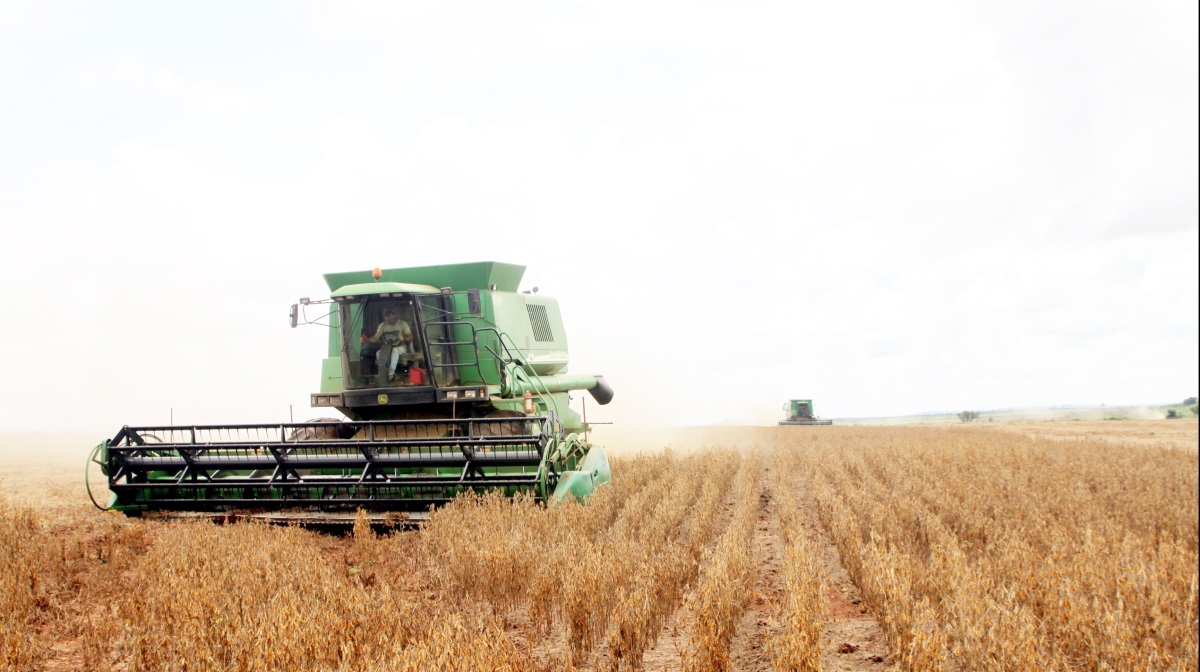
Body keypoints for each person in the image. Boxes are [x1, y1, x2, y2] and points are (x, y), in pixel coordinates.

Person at [361, 307, 413, 385]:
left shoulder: (403, 324)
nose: (389, 317)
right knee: (379, 353)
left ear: (395, 315)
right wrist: (366, 340)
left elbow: (411, 337)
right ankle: (383, 373)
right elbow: (375, 338)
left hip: (400, 348)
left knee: (394, 351)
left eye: (391, 314)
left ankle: (390, 376)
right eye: (387, 315)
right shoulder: (383, 325)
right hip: (387, 348)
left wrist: (404, 338)